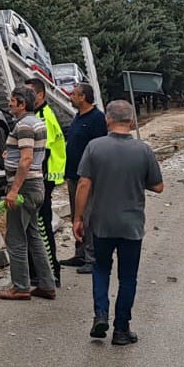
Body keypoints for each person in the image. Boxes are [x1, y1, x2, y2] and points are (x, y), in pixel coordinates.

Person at [73, 100, 164, 344]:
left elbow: (83, 184)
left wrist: (78, 218)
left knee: (101, 268)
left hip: (102, 223)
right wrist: (136, 179)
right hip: (132, 225)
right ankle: (121, 329)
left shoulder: (94, 147)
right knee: (128, 277)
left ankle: (100, 314)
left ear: (108, 120)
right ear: (132, 122)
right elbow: (158, 185)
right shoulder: (143, 150)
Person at [0, 86, 58, 302]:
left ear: (22, 104)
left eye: (13, 100)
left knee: (15, 238)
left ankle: (20, 286)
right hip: (37, 185)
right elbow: (25, 153)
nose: (9, 103)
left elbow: (26, 159)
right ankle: (47, 284)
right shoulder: (36, 122)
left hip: (24, 187)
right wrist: (9, 154)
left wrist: (13, 191)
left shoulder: (24, 125)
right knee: (33, 234)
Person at [60, 83, 106, 274]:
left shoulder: (97, 119)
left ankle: (92, 257)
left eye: (74, 94)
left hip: (88, 177)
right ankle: (80, 254)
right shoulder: (78, 117)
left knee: (88, 217)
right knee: (76, 216)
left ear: (83, 97)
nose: (70, 97)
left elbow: (100, 148)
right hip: (73, 176)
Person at [29, 77, 65, 284]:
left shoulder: (43, 117)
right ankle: (39, 272)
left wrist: (36, 180)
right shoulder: (38, 114)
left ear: (40, 95)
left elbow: (45, 152)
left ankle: (52, 273)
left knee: (42, 227)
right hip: (44, 178)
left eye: (30, 93)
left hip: (44, 179)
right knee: (37, 226)